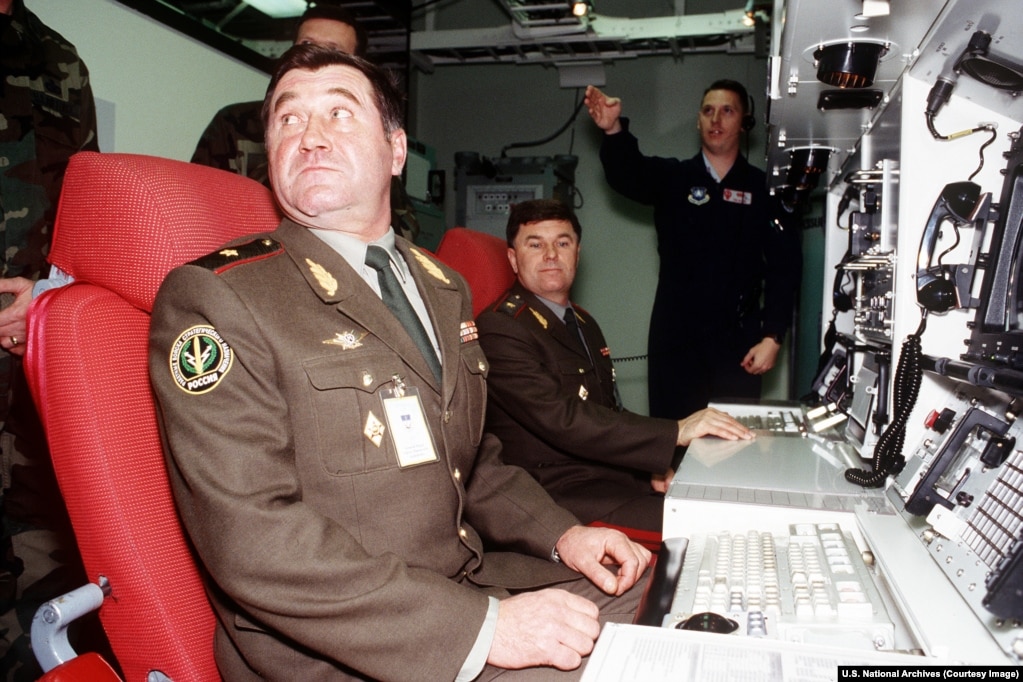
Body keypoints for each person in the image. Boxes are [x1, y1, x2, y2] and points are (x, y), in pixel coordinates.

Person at [149, 45, 651, 681]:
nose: (310, 137)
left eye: (339, 113)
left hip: (469, 587)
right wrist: (486, 630)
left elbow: (470, 460)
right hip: (345, 649)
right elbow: (254, 541)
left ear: (395, 151)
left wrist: (564, 535)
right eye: (289, 119)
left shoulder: (443, 286)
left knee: (671, 601)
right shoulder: (220, 298)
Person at [477, 199, 753, 533]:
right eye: (535, 244)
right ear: (513, 259)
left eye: (562, 243)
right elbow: (562, 419)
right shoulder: (500, 327)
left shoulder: (584, 322)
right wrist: (675, 431)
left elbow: (608, 411)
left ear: (577, 253)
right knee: (712, 525)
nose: (551, 254)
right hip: (552, 496)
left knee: (723, 492)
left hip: (604, 475)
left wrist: (651, 464)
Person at [584, 80, 802, 420]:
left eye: (727, 111)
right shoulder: (674, 178)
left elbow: (784, 267)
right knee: (673, 437)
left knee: (732, 442)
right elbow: (628, 173)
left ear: (744, 123)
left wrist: (773, 336)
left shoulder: (763, 190)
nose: (716, 120)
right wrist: (612, 129)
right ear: (698, 121)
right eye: (707, 111)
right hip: (676, 335)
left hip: (740, 341)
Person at [0, 0, 104, 677]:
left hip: (22, 351)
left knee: (36, 565)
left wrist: (49, 296)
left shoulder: (54, 57)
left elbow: (83, 209)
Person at [190, 4, 419, 241]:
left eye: (333, 50)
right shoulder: (234, 122)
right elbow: (197, 205)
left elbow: (400, 226)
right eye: (307, 45)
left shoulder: (370, 149)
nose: (311, 139)